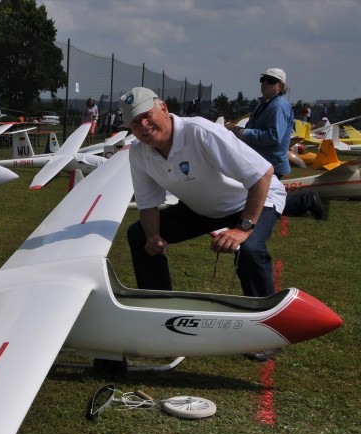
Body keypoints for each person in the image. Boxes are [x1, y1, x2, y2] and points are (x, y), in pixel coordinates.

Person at [120, 87, 287, 361]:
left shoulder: (199, 131)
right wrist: (153, 237)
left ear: (163, 108)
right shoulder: (139, 152)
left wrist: (242, 229)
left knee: (250, 249)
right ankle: (162, 318)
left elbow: (262, 174)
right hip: (204, 207)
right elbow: (148, 203)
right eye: (135, 122)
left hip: (253, 199)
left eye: (147, 115)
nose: (143, 125)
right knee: (139, 235)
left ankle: (266, 332)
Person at [233, 68, 322, 219]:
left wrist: (244, 133)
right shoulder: (264, 104)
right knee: (259, 198)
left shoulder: (278, 106)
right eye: (263, 80)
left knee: (261, 199)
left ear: (280, 86)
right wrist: (240, 132)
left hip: (270, 163)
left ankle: (307, 201)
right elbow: (253, 128)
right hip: (263, 161)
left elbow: (274, 137)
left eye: (271, 81)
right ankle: (306, 202)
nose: (265, 83)